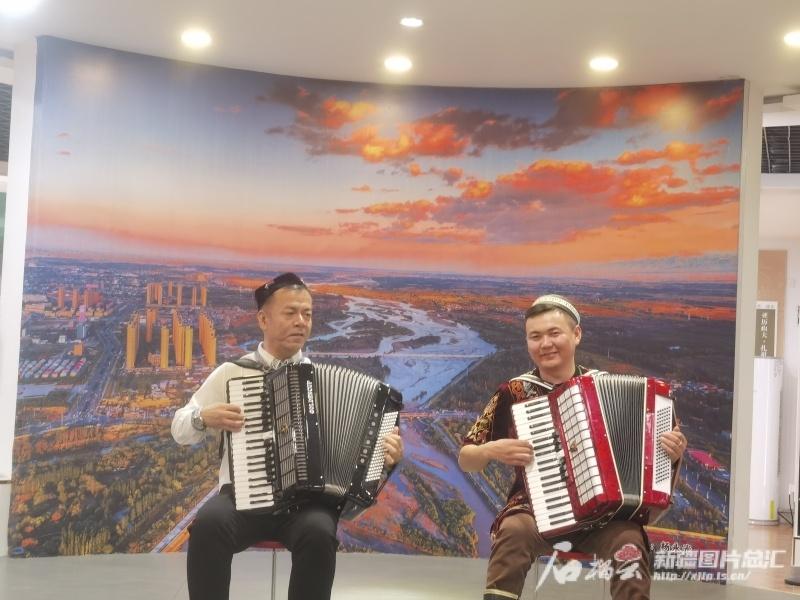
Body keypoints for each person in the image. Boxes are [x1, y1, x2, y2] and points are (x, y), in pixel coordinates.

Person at [171, 272, 404, 600]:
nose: (301, 322)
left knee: (320, 532)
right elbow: (179, 429)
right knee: (208, 525)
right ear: (263, 319)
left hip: (306, 505)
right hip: (242, 499)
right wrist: (201, 417)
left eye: (307, 314)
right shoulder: (232, 373)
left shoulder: (319, 380)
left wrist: (385, 457)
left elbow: (357, 465)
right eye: (291, 312)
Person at [458, 294, 686, 600]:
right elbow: (466, 458)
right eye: (535, 337)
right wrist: (489, 451)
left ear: (576, 334)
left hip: (604, 515)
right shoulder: (513, 392)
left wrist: (671, 451)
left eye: (554, 333)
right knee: (513, 531)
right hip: (534, 511)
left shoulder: (604, 386)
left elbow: (652, 457)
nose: (545, 344)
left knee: (629, 542)